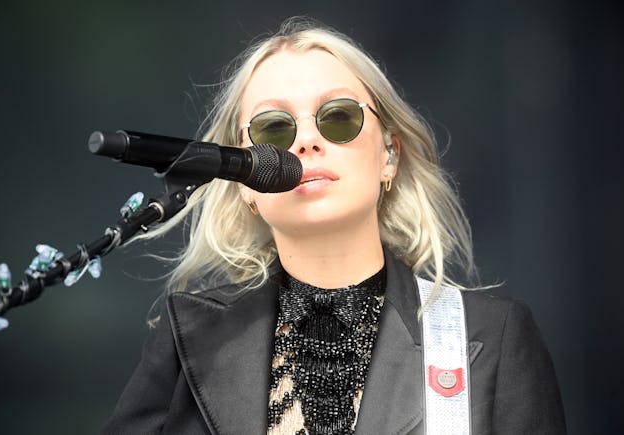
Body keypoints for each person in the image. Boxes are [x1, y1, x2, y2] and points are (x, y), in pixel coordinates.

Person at [102, 18, 566, 434]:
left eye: (338, 118)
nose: (305, 140)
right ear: (242, 182)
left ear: (389, 156)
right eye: (273, 128)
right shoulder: (189, 337)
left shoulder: (491, 337)